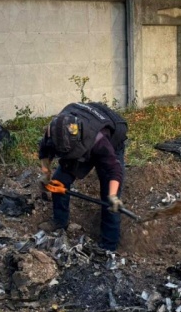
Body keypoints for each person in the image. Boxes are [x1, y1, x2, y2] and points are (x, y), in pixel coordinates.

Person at [38, 102, 128, 251]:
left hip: (111, 141)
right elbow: (44, 152)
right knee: (59, 181)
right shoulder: (53, 132)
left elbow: (114, 170)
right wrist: (46, 175)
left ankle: (108, 246)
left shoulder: (99, 140)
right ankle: (60, 221)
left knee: (109, 201)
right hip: (78, 142)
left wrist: (113, 196)